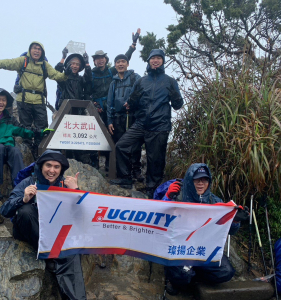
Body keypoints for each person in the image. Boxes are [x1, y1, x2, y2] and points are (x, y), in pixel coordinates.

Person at [0, 150, 86, 299]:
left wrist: (76, 191)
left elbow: (82, 216)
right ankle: (52, 257)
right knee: (25, 211)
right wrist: (24, 199)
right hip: (30, 231)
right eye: (48, 165)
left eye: (56, 167)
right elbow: (5, 210)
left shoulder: (65, 185)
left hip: (54, 233)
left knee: (72, 248)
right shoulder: (28, 182)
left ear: (61, 170)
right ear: (41, 166)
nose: (52, 170)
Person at [162, 163, 249, 295]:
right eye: (197, 179)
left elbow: (231, 230)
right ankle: (175, 279)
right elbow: (160, 217)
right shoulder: (178, 196)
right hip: (180, 249)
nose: (201, 183)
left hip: (204, 250)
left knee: (227, 272)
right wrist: (167, 197)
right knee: (181, 276)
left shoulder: (214, 201)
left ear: (209, 181)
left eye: (204, 179)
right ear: (190, 180)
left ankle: (193, 277)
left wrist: (235, 220)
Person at [111, 49, 184, 194]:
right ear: (149, 61)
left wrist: (175, 95)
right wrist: (130, 102)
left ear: (162, 61)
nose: (155, 61)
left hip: (160, 126)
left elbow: (178, 105)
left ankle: (153, 188)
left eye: (158, 58)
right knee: (121, 146)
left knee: (155, 159)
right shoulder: (141, 81)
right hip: (140, 124)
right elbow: (133, 102)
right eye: (152, 58)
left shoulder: (170, 81)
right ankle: (125, 178)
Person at [0, 42, 67, 158]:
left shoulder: (45, 65)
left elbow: (56, 75)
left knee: (42, 129)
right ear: (30, 50)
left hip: (39, 101)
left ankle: (41, 155)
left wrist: (69, 74)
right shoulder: (23, 61)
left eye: (39, 49)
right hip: (23, 101)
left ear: (42, 52)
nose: (36, 51)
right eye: (34, 48)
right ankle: (28, 155)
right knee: (25, 128)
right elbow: (8, 63)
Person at [89, 28, 141, 169]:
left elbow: (123, 60)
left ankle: (111, 165)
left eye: (102, 58)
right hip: (99, 110)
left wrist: (132, 46)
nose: (100, 60)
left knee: (113, 137)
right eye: (97, 59)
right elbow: (86, 90)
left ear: (106, 60)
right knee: (99, 135)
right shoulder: (91, 74)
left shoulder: (111, 72)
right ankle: (99, 164)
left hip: (113, 109)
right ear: (94, 61)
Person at [107, 54, 142, 181]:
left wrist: (132, 103)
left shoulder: (135, 78)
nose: (120, 64)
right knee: (120, 144)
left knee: (135, 144)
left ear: (127, 64)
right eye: (118, 62)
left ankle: (136, 171)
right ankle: (123, 174)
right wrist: (109, 121)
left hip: (132, 116)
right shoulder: (113, 83)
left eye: (123, 62)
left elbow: (141, 94)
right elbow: (109, 103)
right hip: (118, 117)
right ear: (115, 65)